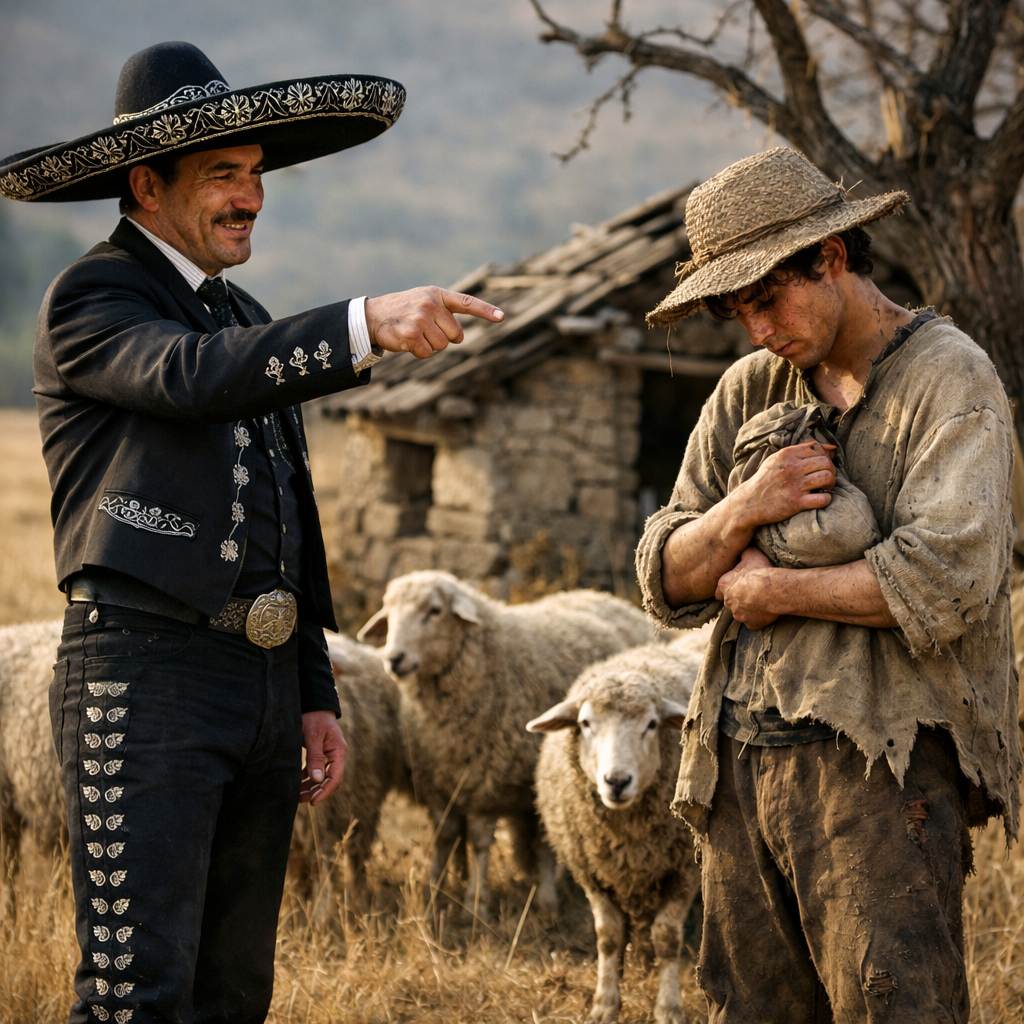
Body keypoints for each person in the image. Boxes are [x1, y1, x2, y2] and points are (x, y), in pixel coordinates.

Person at [0, 41, 503, 1024]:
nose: (251, 197)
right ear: (147, 183)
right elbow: (188, 376)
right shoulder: (92, 298)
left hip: (263, 689)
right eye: (223, 175)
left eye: (256, 174)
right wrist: (364, 322)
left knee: (235, 994)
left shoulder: (247, 315)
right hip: (142, 679)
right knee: (135, 995)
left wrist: (311, 691)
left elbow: (289, 517)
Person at [636, 146, 1021, 1023]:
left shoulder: (947, 380)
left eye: (769, 298)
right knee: (752, 1007)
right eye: (739, 310)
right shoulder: (749, 389)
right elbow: (664, 574)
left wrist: (774, 594)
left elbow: (950, 576)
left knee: (894, 1005)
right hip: (739, 752)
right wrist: (744, 510)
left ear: (833, 258)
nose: (758, 328)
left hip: (883, 763)